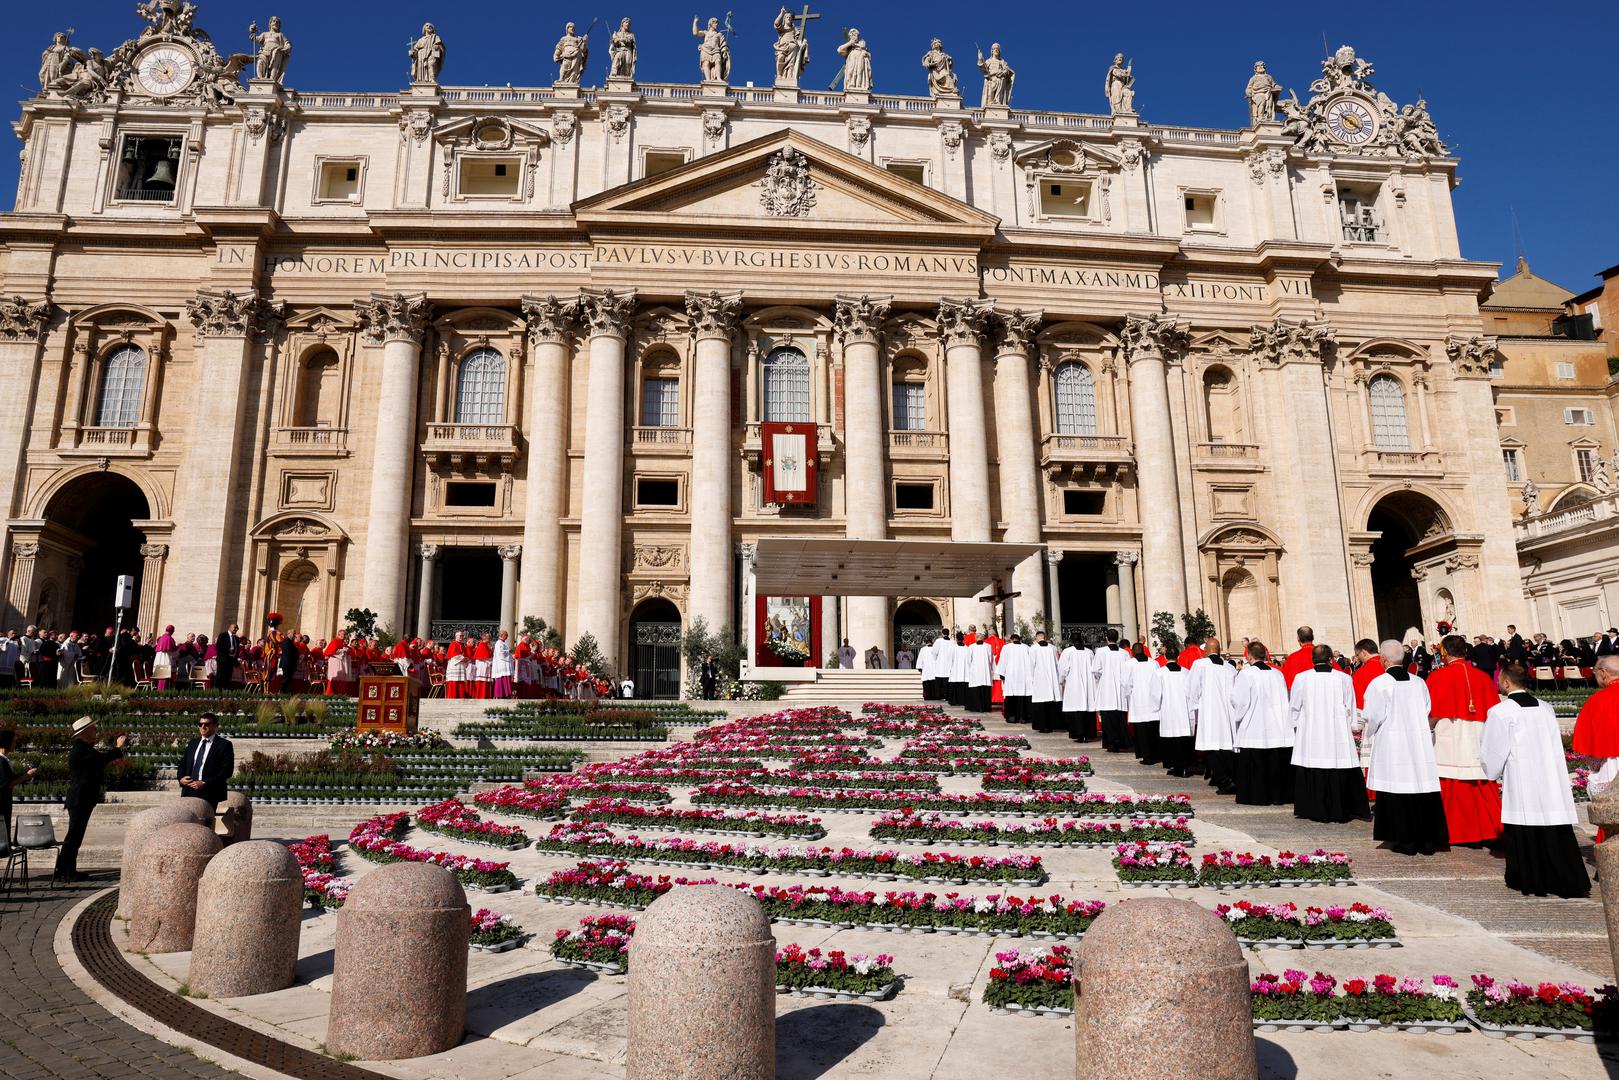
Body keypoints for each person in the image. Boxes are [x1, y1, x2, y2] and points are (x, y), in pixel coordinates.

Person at [1481, 662, 1590, 898]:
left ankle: (1531, 879)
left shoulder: (1500, 711)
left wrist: (1490, 771)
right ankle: (1565, 879)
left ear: (1507, 682)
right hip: (1550, 776)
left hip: (1522, 777)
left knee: (1525, 823)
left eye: (1500, 679)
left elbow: (1494, 751)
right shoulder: (1545, 707)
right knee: (1553, 826)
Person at [1361, 639, 1448, 855]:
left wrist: (1370, 730)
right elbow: (1427, 708)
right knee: (1419, 787)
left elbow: (1371, 716)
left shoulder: (1379, 684)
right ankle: (1426, 840)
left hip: (1393, 743)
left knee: (1396, 789)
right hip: (1417, 743)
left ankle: (1404, 841)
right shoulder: (1419, 683)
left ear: (1383, 659)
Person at [1428, 633, 1502, 846]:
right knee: (1479, 780)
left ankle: (1457, 831)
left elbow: (1432, 712)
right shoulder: (1482, 677)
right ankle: (1489, 829)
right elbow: (1494, 711)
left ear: (1445, 653)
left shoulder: (1437, 676)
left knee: (1451, 780)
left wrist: (1428, 728)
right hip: (1477, 733)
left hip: (1449, 732)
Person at [1288, 644, 1370, 823]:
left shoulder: (1301, 678)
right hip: (1337, 731)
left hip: (1311, 731)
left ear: (1312, 660)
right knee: (1338, 763)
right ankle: (1342, 807)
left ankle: (1313, 808)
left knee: (1312, 763)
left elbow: (1294, 706)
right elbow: (1350, 705)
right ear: (1331, 659)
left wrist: (1296, 726)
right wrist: (1350, 727)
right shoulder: (1343, 678)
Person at [56, 717, 127, 881]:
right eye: (93, 728)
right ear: (85, 732)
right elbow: (101, 760)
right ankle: (64, 871)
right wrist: (118, 747)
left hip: (82, 799)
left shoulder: (84, 748)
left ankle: (66, 870)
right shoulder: (81, 748)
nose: (96, 731)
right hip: (80, 799)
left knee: (74, 836)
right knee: (73, 836)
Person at [1231, 641, 1293, 805]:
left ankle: (1258, 796)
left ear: (1249, 655)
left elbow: (1240, 701)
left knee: (1256, 765)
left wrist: (1238, 716)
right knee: (1275, 764)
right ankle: (1277, 796)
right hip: (1276, 726)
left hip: (1255, 726)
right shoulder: (1277, 674)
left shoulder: (1246, 674)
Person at [1571, 654, 1619, 838]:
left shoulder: (1599, 700)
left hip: (1612, 764)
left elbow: (1591, 747)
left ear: (1604, 673)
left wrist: (1595, 765)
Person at [1189, 638, 1238, 793]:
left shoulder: (1200, 664)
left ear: (1206, 651)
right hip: (1228, 711)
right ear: (1220, 649)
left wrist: (1195, 705)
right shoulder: (1229, 668)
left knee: (1211, 746)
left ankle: (1224, 781)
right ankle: (1223, 777)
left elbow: (1191, 688)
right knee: (1225, 746)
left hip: (1209, 710)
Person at [1154, 647, 1195, 777]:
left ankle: (1175, 766)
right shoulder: (1186, 672)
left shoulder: (1159, 673)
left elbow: (1154, 694)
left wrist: (1155, 707)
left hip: (1168, 710)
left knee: (1171, 740)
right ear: (1178, 657)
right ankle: (1184, 766)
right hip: (1183, 710)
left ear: (1165, 657)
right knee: (1183, 740)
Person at [178, 712, 233, 811]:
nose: (203, 727)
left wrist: (204, 783)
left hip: (209, 791)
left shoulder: (224, 745)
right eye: (200, 724)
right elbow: (183, 764)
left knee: (206, 823)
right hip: (189, 790)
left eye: (206, 724)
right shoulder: (193, 743)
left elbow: (227, 771)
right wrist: (181, 778)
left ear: (215, 725)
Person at [1092, 628, 1135, 751]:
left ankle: (1111, 742)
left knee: (1107, 717)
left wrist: (1102, 679)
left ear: (1106, 638)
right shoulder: (1124, 653)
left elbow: (1096, 670)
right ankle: (1122, 741)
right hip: (1121, 688)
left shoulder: (1100, 652)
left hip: (1106, 688)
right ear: (1117, 639)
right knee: (1120, 717)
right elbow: (1128, 671)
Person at [0, 728, 39, 852]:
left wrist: (25, 774)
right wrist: (26, 776)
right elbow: (6, 784)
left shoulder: (4, 760)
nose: (15, 744)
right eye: (13, 742)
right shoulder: (1, 761)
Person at [1057, 634, 1096, 741]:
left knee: (1076, 708)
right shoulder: (1089, 652)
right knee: (1086, 707)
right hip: (1088, 685)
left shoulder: (1067, 652)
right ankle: (1088, 733)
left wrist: (1061, 681)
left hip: (1073, 684)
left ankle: (1078, 734)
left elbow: (1062, 670)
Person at [1027, 631, 1061, 732]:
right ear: (1044, 637)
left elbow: (1031, 665)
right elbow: (1056, 663)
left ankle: (1041, 726)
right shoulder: (1052, 648)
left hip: (1039, 678)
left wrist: (1031, 678)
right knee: (1050, 703)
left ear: (1037, 637)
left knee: (1040, 703)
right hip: (1051, 678)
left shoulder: (1033, 648)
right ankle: (1050, 725)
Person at [996, 633, 1032, 724]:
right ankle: (1023, 717)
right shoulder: (1026, 647)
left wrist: (1002, 673)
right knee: (1023, 697)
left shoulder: (1007, 647)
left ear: (1011, 640)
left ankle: (1012, 717)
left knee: (1011, 696)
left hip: (1011, 676)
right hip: (1024, 676)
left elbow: (1003, 661)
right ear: (1019, 640)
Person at [964, 633, 993, 712]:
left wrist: (972, 668)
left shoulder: (971, 647)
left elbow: (969, 660)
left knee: (976, 689)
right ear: (983, 638)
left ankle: (976, 707)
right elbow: (991, 659)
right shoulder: (988, 646)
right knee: (985, 689)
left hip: (975, 671)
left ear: (976, 638)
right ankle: (986, 707)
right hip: (985, 672)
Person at [945, 631, 969, 707]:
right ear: (963, 638)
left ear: (956, 638)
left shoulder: (952, 648)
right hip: (965, 672)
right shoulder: (967, 648)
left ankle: (954, 701)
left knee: (955, 685)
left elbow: (949, 659)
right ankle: (964, 700)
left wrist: (948, 669)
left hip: (955, 671)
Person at [215, 623, 241, 689]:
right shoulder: (223, 635)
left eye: (237, 628)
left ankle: (225, 691)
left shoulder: (236, 638)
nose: (236, 629)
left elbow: (237, 650)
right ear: (229, 627)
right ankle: (216, 691)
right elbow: (219, 647)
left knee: (228, 676)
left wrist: (235, 660)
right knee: (220, 676)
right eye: (235, 627)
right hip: (223, 659)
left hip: (231, 660)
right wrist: (228, 650)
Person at [491, 630, 515, 699]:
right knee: (502, 679)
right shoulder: (499, 643)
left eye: (507, 635)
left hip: (505, 664)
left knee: (506, 679)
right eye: (506, 635)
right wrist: (509, 651)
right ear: (501, 635)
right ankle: (500, 694)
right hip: (502, 665)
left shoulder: (504, 643)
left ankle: (506, 694)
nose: (507, 636)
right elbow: (501, 654)